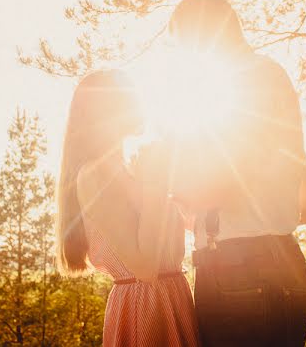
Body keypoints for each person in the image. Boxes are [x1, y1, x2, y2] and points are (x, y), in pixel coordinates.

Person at [167, 0, 306, 347]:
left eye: (181, 45)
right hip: (289, 264)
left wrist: (176, 189)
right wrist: (267, 218)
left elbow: (220, 181)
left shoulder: (232, 83)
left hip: (237, 272)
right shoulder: (274, 77)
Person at [56, 70, 201, 346]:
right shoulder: (95, 175)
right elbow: (144, 268)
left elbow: (189, 222)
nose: (141, 105)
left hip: (173, 297)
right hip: (144, 305)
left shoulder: (131, 169)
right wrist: (156, 182)